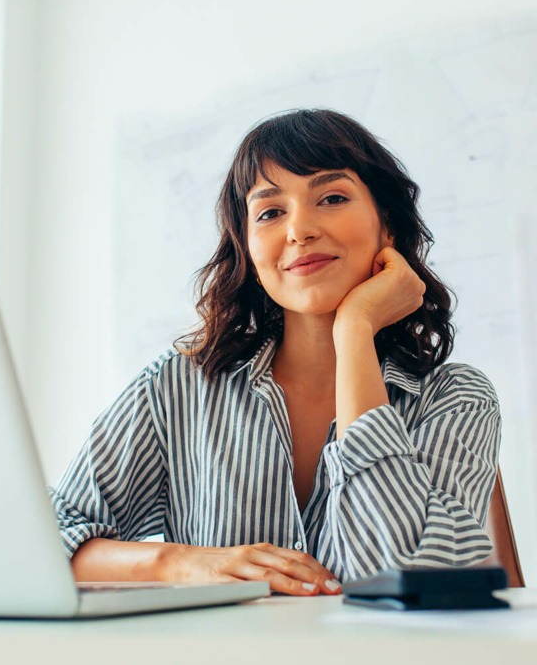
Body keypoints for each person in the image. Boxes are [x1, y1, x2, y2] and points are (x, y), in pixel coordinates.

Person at [49, 108, 501, 596]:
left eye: (331, 197)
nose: (298, 230)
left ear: (386, 225)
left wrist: (354, 330)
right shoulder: (177, 385)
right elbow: (47, 541)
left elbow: (406, 578)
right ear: (247, 247)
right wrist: (176, 562)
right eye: (269, 212)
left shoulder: (458, 397)